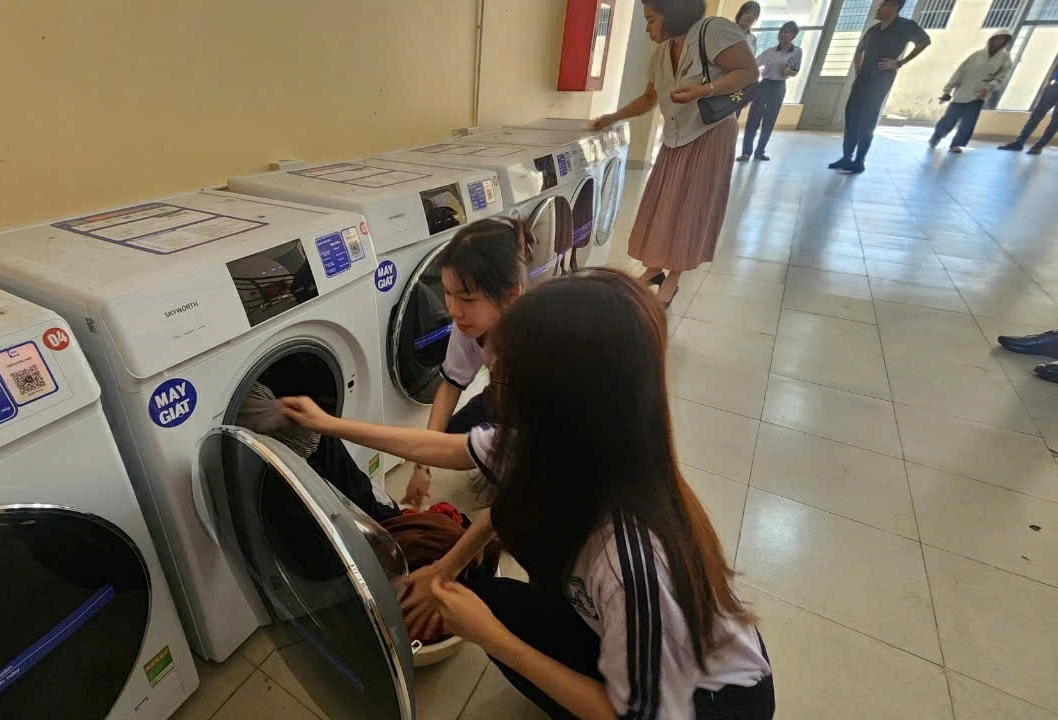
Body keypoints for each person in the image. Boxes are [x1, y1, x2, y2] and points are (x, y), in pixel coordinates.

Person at [280, 268, 774, 719]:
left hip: (712, 706)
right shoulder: (567, 444)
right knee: (494, 597)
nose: (494, 385)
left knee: (498, 621)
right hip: (630, 633)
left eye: (508, 375)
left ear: (558, 397)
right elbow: (448, 457)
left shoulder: (631, 562)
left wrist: (488, 635)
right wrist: (328, 424)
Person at [590, 0, 758, 305]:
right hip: (676, 136)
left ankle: (674, 277)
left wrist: (704, 90)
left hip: (710, 134)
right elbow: (648, 99)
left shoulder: (713, 31)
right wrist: (613, 117)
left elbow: (749, 72)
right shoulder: (662, 53)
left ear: (673, 13)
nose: (647, 28)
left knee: (691, 208)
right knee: (662, 205)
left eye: (651, 19)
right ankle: (654, 269)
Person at [402, 216, 533, 508]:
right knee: (445, 441)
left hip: (539, 412)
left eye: (467, 299)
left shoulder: (539, 341)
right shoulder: (468, 325)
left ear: (511, 295)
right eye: (447, 293)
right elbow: (450, 387)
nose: (452, 310)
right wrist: (423, 464)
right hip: (502, 396)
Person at [829, 0, 931, 174]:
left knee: (867, 121)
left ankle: (859, 161)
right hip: (863, 79)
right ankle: (846, 157)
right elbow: (859, 51)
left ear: (894, 7)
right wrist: (858, 71)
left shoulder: (905, 26)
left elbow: (925, 41)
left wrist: (899, 63)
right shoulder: (873, 30)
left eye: (883, 5)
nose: (879, 8)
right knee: (852, 117)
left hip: (880, 80)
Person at [930, 32, 1013, 153]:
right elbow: (960, 72)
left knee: (968, 123)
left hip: (979, 96)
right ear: (991, 39)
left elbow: (1001, 76)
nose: (998, 41)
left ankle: (956, 144)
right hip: (962, 92)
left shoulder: (1004, 57)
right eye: (997, 38)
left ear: (1005, 42)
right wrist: (948, 90)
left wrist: (988, 87)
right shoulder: (977, 55)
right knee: (948, 119)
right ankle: (936, 137)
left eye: (1002, 39)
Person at [738, 21, 803, 162]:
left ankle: (760, 152)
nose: (782, 35)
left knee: (769, 120)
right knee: (753, 119)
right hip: (765, 85)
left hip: (779, 87)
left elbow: (796, 71)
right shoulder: (771, 51)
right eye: (781, 31)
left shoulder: (797, 52)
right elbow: (754, 64)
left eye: (786, 32)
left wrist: (788, 71)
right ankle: (746, 153)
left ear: (793, 35)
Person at [999, 64, 1058, 155]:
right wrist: (1048, 81)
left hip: (1053, 88)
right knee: (1035, 116)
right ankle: (1018, 143)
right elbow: (1056, 65)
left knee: (1055, 122)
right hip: (1054, 87)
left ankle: (1038, 147)